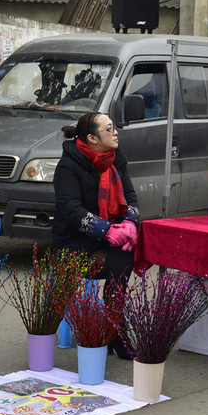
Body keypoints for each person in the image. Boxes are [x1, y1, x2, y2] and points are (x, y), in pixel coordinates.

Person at [52, 110, 141, 358]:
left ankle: (114, 327)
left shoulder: (116, 159)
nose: (115, 133)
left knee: (124, 251)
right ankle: (115, 331)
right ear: (92, 138)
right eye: (109, 129)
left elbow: (130, 198)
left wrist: (130, 224)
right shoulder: (68, 165)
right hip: (75, 241)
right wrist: (106, 231)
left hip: (108, 236)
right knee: (116, 253)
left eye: (114, 128)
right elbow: (71, 210)